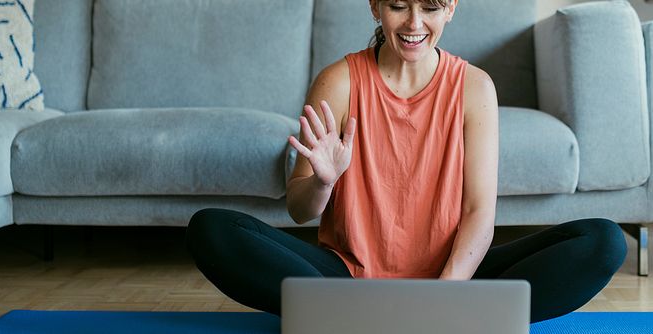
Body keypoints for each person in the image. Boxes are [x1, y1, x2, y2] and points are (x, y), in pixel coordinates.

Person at [186, 0, 626, 323]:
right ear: (376, 7)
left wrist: (443, 298)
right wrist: (322, 182)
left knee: (604, 241)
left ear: (451, 7)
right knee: (212, 228)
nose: (415, 23)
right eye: (398, 6)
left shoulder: (475, 87)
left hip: (451, 277)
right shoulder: (338, 82)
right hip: (348, 278)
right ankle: (393, 317)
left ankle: (377, 321)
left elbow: (479, 214)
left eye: (430, 8)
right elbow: (300, 211)